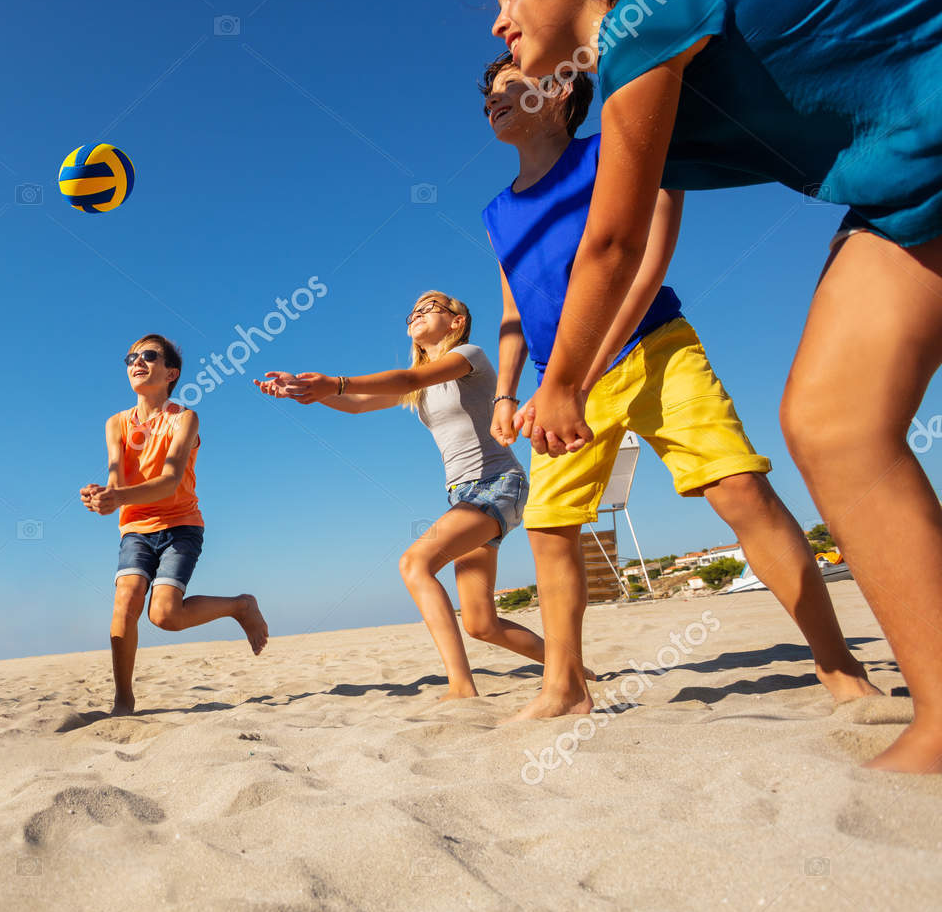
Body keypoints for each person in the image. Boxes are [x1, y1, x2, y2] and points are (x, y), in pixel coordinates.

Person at [488, 0, 940, 771]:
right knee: (833, 422)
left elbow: (617, 245)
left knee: (797, 447)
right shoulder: (627, 71)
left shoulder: (648, 19)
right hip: (913, 182)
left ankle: (843, 664)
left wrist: (566, 380)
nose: (499, 21)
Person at [480, 51, 880, 723]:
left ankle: (838, 662)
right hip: (560, 387)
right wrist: (507, 394)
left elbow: (644, 261)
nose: (494, 98)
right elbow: (513, 312)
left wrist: (581, 372)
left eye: (512, 84)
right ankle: (565, 687)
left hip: (655, 348)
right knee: (549, 530)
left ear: (559, 90)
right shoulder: (497, 212)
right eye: (488, 93)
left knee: (739, 488)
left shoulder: (616, 148)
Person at [261, 291, 554, 701]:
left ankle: (461, 687)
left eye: (428, 307)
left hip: (496, 483)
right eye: (412, 312)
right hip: (464, 495)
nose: (415, 314)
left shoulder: (470, 355)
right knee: (481, 623)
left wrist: (336, 381)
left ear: (456, 321)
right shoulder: (421, 387)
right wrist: (307, 392)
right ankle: (573, 669)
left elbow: (409, 378)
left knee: (415, 562)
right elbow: (360, 404)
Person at [81, 334, 268, 716]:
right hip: (135, 527)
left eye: (149, 356)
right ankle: (123, 699)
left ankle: (240, 606)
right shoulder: (116, 423)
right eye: (131, 356)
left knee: (164, 615)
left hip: (181, 524)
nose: (137, 361)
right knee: (126, 601)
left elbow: (169, 480)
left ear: (171, 373)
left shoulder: (184, 418)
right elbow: (117, 482)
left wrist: (117, 497)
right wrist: (102, 497)